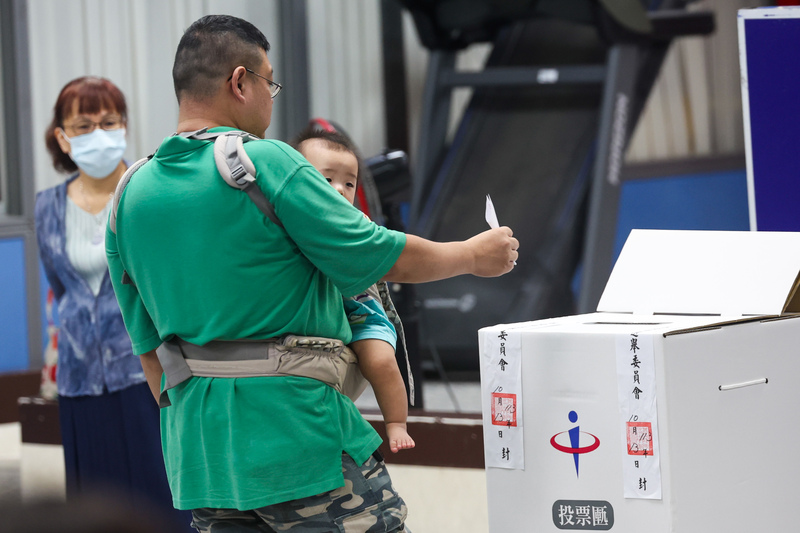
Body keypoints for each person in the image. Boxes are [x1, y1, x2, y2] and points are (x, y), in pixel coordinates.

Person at [106, 14, 518, 532]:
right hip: (302, 443)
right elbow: (378, 253)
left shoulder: (129, 196)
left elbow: (150, 354)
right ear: (239, 81)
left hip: (203, 459)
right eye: (269, 81)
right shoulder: (264, 164)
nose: (272, 99)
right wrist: (472, 256)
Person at [34, 76, 193, 532]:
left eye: (108, 121)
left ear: (124, 126)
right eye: (83, 124)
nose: (98, 133)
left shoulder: (148, 189)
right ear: (62, 136)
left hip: (148, 373)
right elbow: (61, 292)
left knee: (161, 503)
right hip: (80, 383)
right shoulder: (47, 207)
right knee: (93, 508)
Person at [293, 126, 415, 454]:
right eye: (327, 178)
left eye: (349, 182)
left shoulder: (354, 223)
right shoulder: (288, 222)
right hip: (321, 321)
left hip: (363, 316)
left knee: (380, 362)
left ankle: (396, 422)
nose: (340, 189)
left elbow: (388, 254)